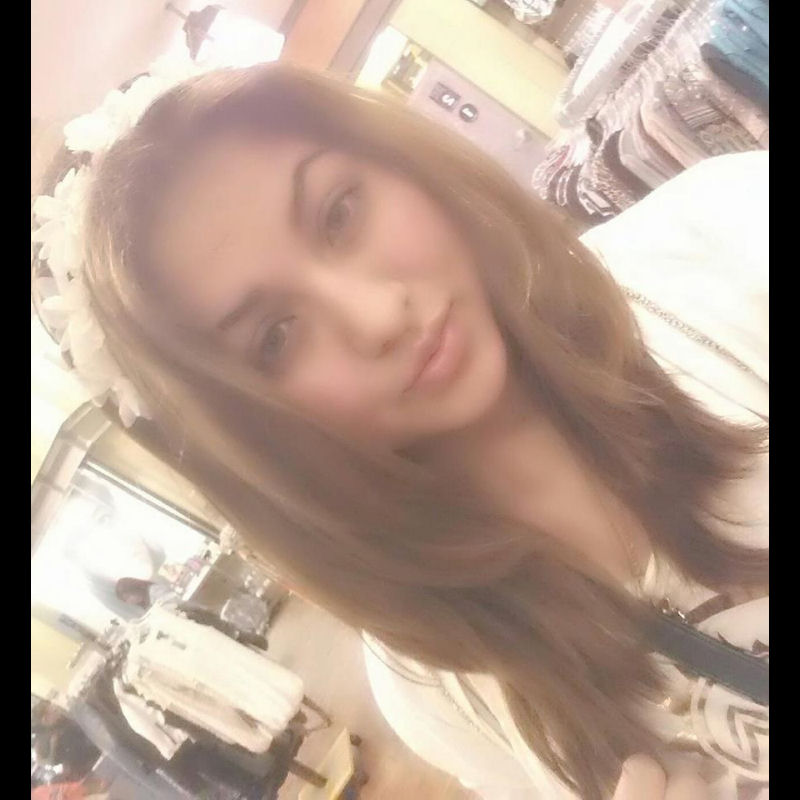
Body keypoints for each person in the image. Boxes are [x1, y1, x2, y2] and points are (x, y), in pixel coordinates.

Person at [32, 58, 767, 799]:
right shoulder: (440, 693)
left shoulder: (726, 238)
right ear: (248, 433)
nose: (379, 316)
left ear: (398, 162)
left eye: (340, 214)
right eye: (276, 337)